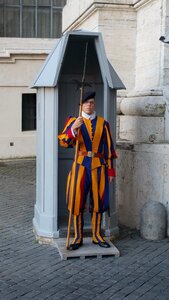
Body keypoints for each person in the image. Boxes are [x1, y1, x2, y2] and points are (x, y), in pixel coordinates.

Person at [58, 91, 117, 250]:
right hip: (80, 166)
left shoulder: (103, 123)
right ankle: (78, 237)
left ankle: (97, 236)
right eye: (86, 103)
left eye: (91, 102)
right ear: (81, 105)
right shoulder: (73, 121)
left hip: (99, 167)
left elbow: (109, 148)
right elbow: (64, 142)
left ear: (94, 104)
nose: (89, 105)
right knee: (77, 201)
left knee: (98, 202)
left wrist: (110, 171)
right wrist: (73, 130)